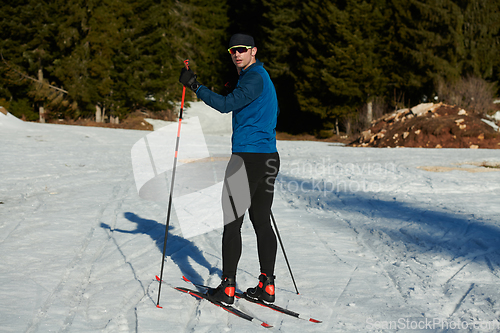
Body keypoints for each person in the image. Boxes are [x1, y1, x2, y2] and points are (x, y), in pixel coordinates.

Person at [179, 33, 280, 305]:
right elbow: (245, 100)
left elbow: (225, 106)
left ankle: (228, 287)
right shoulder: (258, 76)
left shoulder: (254, 77)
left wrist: (195, 86)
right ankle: (267, 285)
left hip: (248, 158)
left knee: (232, 223)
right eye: (233, 50)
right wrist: (233, 86)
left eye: (242, 50)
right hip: (269, 158)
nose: (237, 54)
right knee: (261, 221)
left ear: (253, 51)